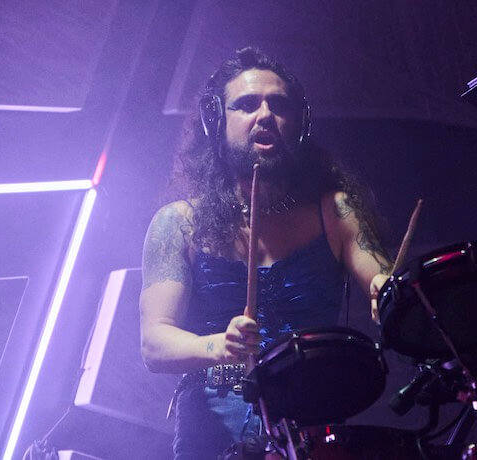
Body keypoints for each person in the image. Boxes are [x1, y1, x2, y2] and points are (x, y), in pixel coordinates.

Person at [139, 47, 392, 459]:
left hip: (312, 414)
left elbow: (379, 279)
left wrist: (387, 291)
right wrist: (220, 345)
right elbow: (154, 344)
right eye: (245, 105)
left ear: (300, 124)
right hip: (212, 424)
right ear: (216, 123)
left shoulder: (335, 210)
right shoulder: (178, 222)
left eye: (279, 104)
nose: (265, 115)